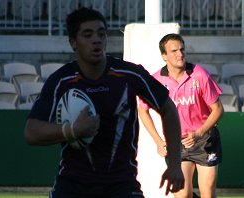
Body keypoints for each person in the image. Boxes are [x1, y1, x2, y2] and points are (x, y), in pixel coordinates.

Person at [24, 7, 184, 198]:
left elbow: (168, 108)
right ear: (73, 43)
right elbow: (31, 132)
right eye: (88, 34)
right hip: (73, 185)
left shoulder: (130, 75)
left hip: (121, 184)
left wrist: (174, 165)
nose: (96, 39)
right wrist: (72, 131)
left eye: (101, 33)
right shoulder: (61, 81)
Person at [138, 33, 224, 198]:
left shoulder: (199, 74)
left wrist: (199, 132)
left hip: (205, 140)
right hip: (177, 144)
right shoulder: (156, 80)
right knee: (182, 194)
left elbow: (218, 109)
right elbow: (142, 109)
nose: (180, 54)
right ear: (164, 56)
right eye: (174, 51)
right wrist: (158, 141)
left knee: (208, 193)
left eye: (182, 49)